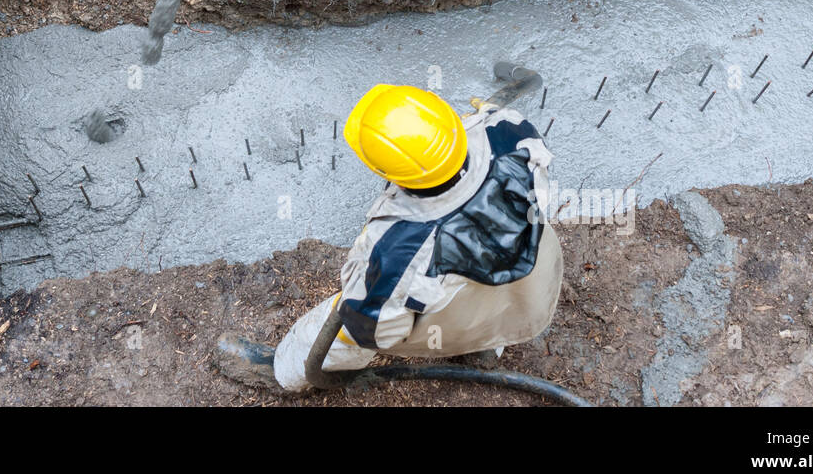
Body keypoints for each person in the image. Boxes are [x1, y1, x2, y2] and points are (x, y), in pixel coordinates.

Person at [215, 82, 562, 392]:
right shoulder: (511, 131)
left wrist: (362, 292)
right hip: (528, 294)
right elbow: (488, 116)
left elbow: (374, 329)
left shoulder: (403, 246)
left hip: (459, 315)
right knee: (482, 299)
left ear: (389, 173)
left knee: (335, 327)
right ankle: (484, 350)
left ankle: (286, 372)